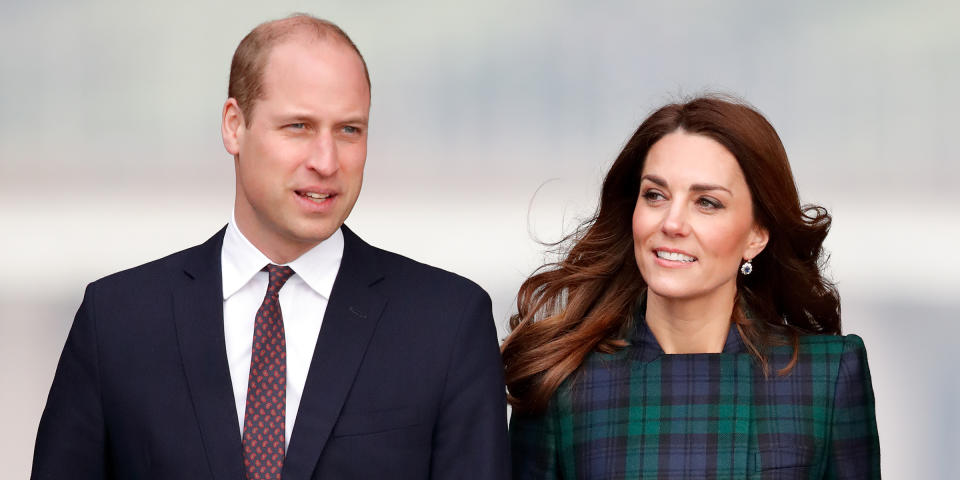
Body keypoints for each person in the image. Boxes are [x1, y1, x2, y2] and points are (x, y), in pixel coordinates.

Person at [32, 14, 509, 480]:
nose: (326, 161)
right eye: (298, 126)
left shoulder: (447, 324)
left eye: (349, 130)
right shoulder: (117, 321)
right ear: (234, 126)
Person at [503, 96, 880, 479]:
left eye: (707, 202)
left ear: (756, 234)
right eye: (655, 195)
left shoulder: (826, 375)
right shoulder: (562, 381)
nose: (672, 222)